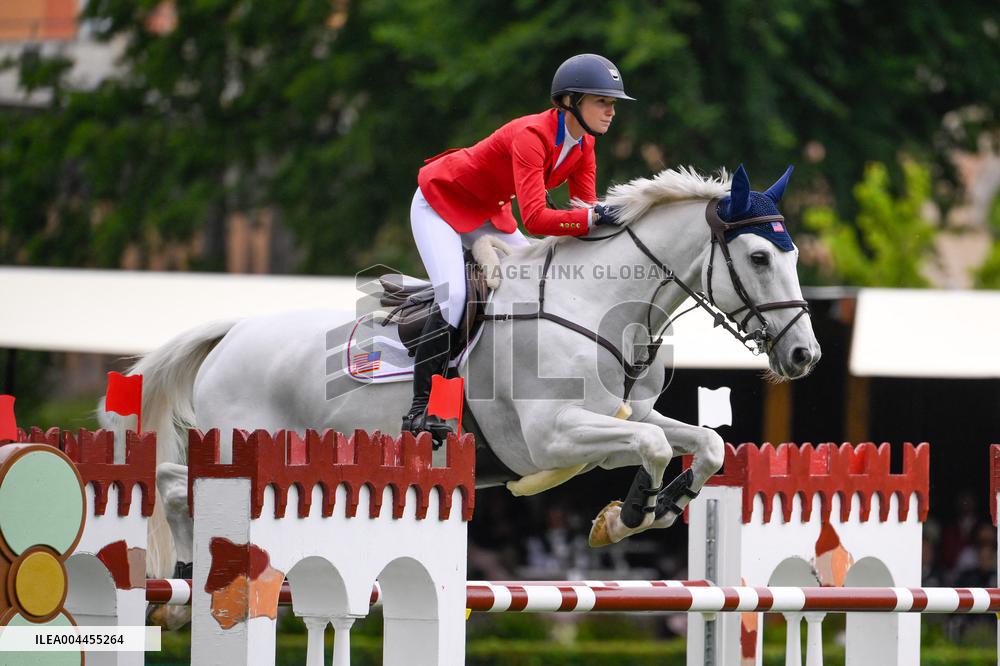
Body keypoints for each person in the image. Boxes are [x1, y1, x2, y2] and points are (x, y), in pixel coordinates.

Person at [402, 53, 635, 439]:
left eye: (612, 104)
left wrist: (615, 226)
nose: (611, 111)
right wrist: (594, 217)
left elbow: (583, 213)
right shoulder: (532, 135)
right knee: (456, 296)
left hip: (489, 214)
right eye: (602, 102)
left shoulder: (584, 147)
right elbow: (537, 218)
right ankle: (420, 407)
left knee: (536, 281)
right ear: (569, 101)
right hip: (440, 203)